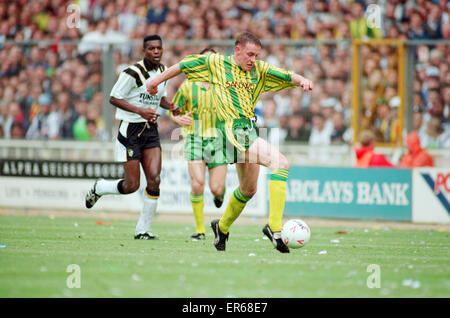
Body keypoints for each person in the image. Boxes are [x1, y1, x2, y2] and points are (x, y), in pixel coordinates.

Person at [146, 31, 313, 253]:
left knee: (249, 189)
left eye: (256, 55)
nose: (253, 59)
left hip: (248, 130)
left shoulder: (259, 70)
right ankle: (274, 227)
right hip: (232, 130)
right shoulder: (216, 63)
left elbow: (285, 75)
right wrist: (156, 80)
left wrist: (302, 80)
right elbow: (184, 65)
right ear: (237, 50)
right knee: (281, 163)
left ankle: (221, 227)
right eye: (250, 54)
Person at [85, 35, 179, 240]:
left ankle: (142, 230)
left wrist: (170, 106)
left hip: (151, 131)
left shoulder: (163, 72)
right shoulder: (132, 72)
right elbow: (113, 97)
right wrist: (140, 111)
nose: (156, 51)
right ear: (144, 51)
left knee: (154, 180)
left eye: (159, 48)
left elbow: (158, 97)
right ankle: (100, 187)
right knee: (132, 185)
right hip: (131, 131)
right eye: (151, 48)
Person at [170, 47, 228, 241]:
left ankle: (219, 196)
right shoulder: (188, 85)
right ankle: (200, 230)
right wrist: (178, 120)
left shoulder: (226, 85)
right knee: (197, 184)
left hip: (219, 141)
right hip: (194, 139)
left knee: (216, 189)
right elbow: (173, 110)